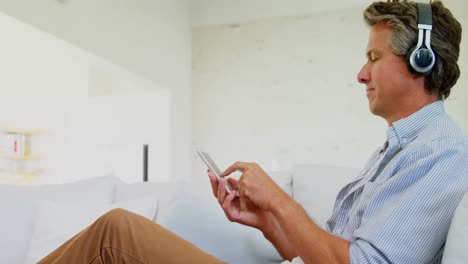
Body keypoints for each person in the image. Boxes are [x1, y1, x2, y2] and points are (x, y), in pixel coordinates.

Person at [39, 0, 467, 263]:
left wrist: (281, 201)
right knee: (115, 234)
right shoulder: (397, 152)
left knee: (116, 233)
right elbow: (318, 255)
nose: (361, 74)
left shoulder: (441, 155)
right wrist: (265, 221)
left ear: (421, 61)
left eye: (373, 58)